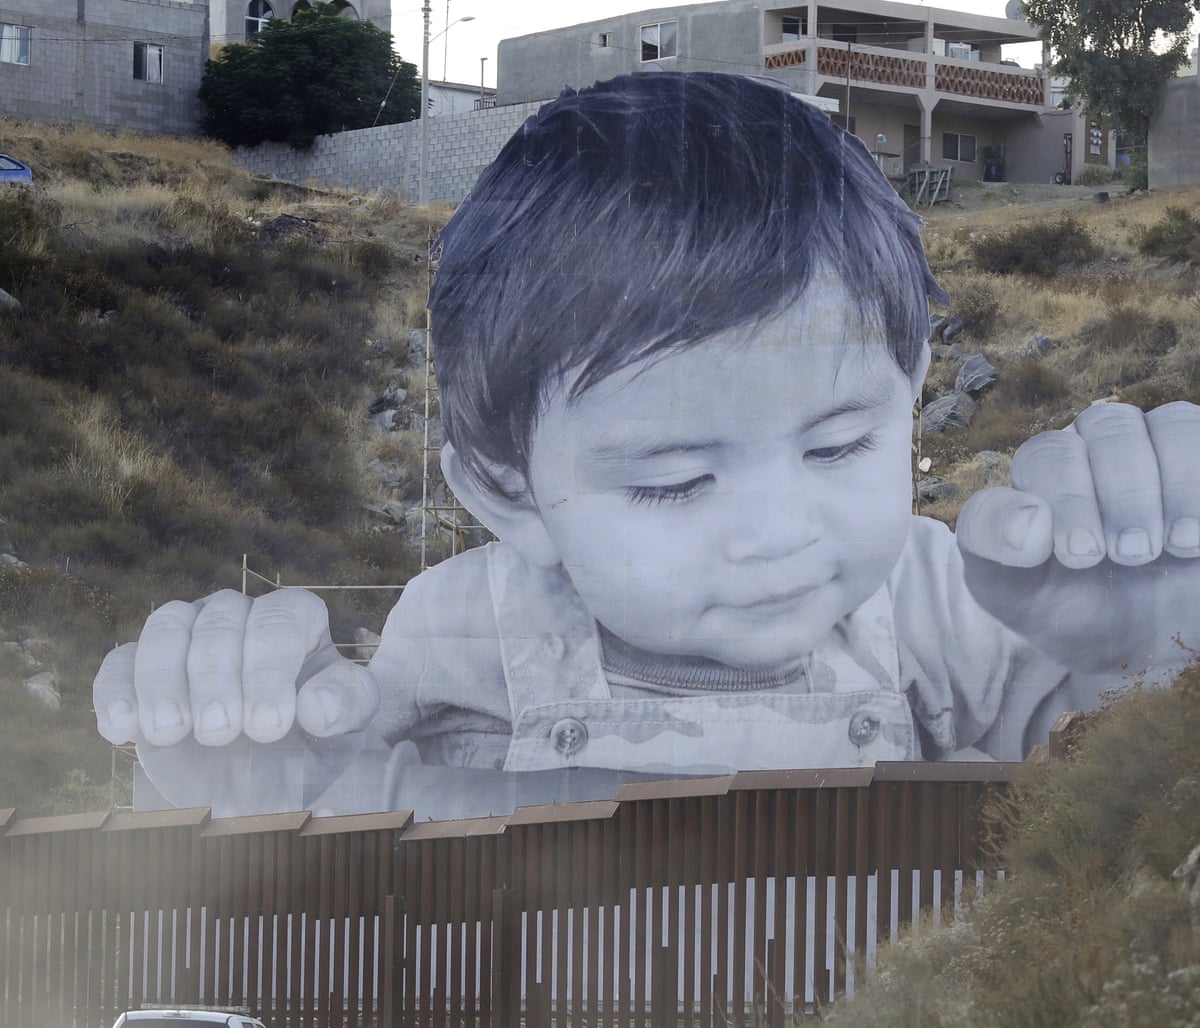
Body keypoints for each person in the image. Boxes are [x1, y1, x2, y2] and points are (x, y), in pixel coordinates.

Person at [92, 73, 1200, 816]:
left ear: (911, 394)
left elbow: (1092, 813)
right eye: (673, 484)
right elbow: (360, 820)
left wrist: (1147, 658)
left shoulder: (939, 607)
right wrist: (242, 767)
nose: (779, 535)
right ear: (507, 490)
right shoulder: (466, 629)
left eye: (838, 448)